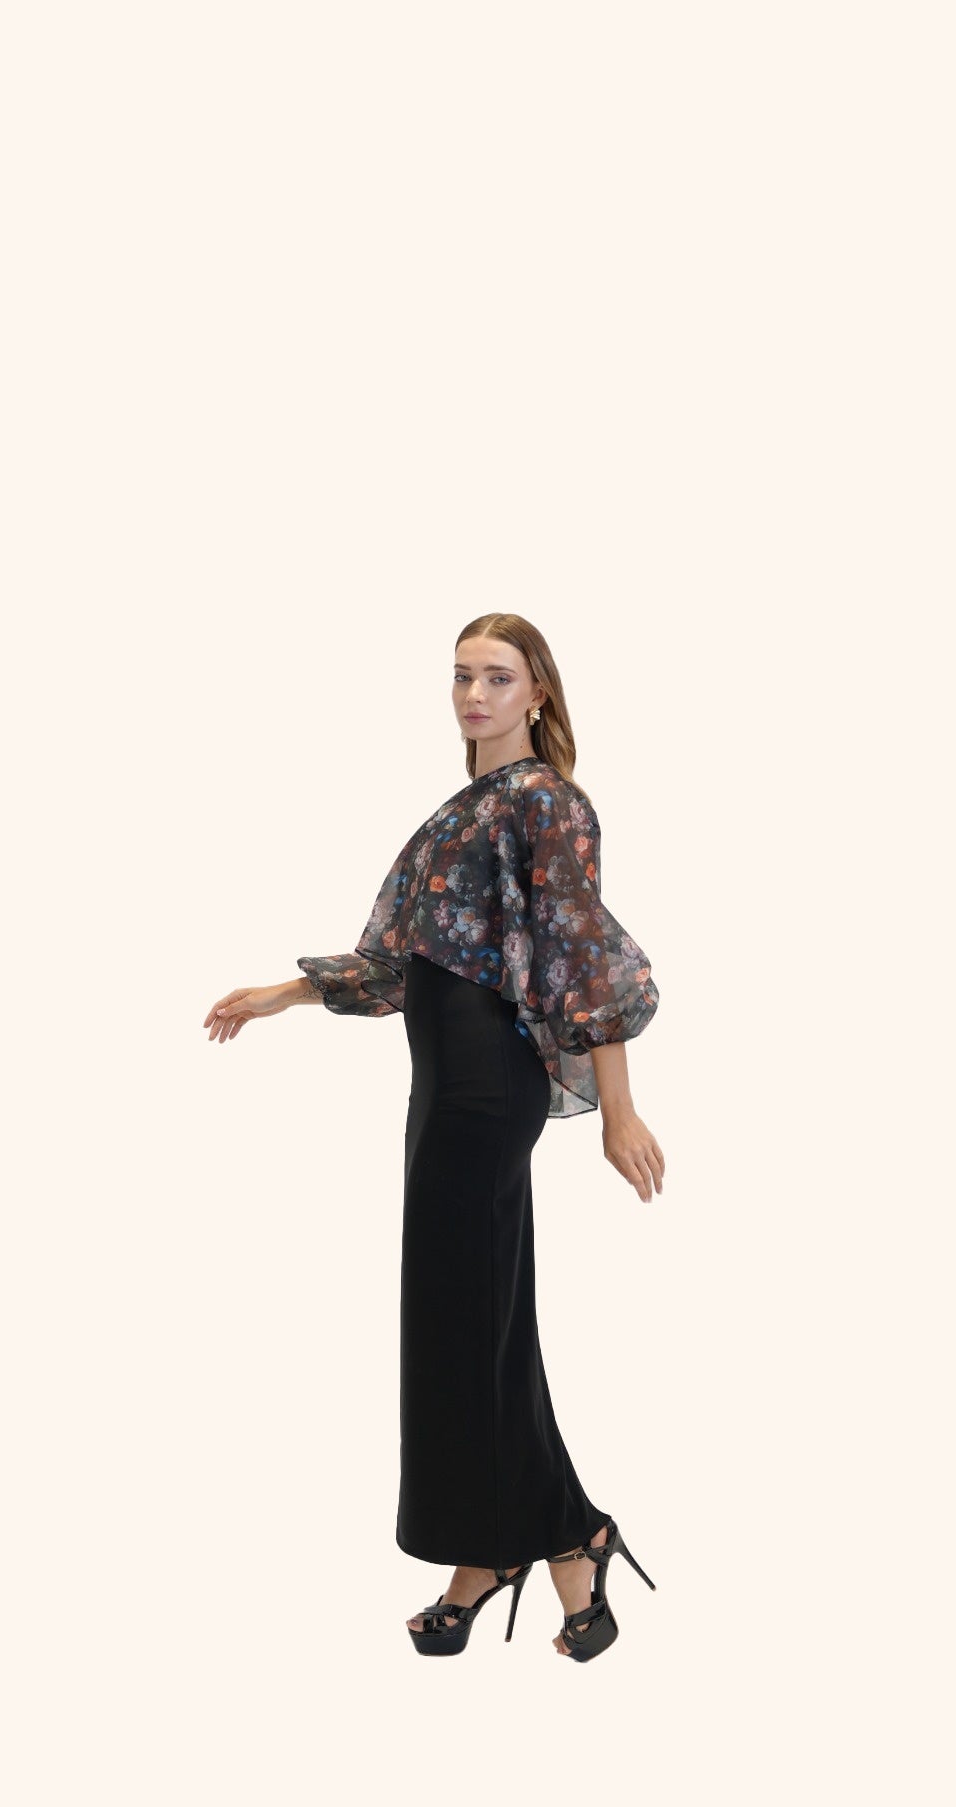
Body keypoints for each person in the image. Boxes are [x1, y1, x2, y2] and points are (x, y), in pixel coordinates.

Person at [203, 613, 664, 1663]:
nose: (473, 695)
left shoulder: (547, 801)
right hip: (441, 1089)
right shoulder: (463, 809)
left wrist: (619, 1108)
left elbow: (580, 955)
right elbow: (407, 962)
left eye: (498, 678)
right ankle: (551, 1546)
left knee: (470, 1319)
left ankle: (528, 1545)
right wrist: (282, 994)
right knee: (467, 1325)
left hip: (488, 1089)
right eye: (461, 676)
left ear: (538, 692)